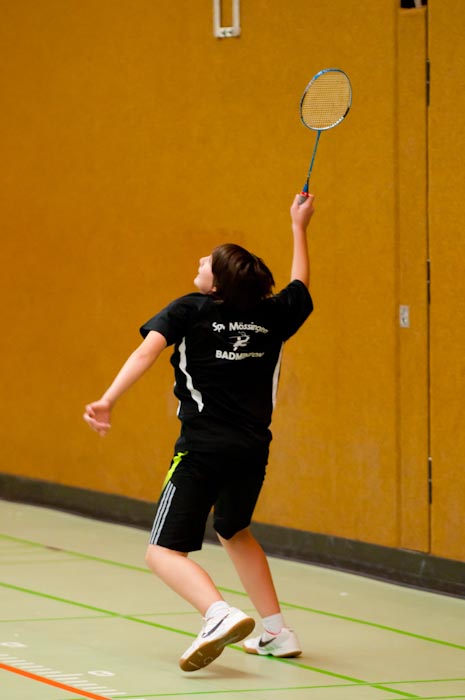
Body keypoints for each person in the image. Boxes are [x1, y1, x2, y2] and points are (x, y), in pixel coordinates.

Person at [83, 193, 315, 672]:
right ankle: (277, 632)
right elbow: (300, 285)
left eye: (207, 260)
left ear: (218, 281)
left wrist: (108, 399)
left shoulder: (190, 309)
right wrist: (299, 227)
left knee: (161, 552)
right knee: (234, 530)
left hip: (202, 449)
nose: (199, 262)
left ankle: (217, 614)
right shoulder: (272, 315)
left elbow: (146, 352)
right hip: (251, 450)